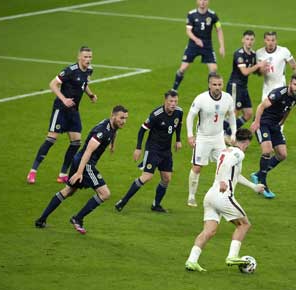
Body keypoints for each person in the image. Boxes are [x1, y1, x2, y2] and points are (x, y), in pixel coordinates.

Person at [34, 106, 129, 234]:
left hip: (78, 160)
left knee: (69, 191)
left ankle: (41, 220)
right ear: (113, 116)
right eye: (121, 118)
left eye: (126, 118)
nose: (124, 121)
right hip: (85, 163)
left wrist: (112, 144)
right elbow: (88, 151)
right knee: (105, 194)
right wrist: (80, 172)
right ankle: (77, 218)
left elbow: (114, 132)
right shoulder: (102, 132)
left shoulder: (112, 125)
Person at [185, 128, 265, 272]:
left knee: (209, 231)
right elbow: (227, 165)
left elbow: (234, 174)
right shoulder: (238, 153)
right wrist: (223, 181)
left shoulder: (225, 151)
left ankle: (192, 260)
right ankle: (232, 256)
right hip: (223, 195)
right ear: (246, 142)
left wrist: (253, 186)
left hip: (210, 196)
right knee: (244, 225)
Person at [27, 46, 98, 184]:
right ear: (79, 57)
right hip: (61, 109)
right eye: (85, 57)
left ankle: (63, 174)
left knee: (76, 142)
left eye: (90, 57)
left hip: (74, 111)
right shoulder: (70, 71)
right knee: (51, 139)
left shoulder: (89, 70)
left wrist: (90, 95)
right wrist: (63, 99)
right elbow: (53, 84)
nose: (88, 60)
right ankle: (33, 171)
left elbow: (83, 84)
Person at [115, 91, 183, 213]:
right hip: (153, 149)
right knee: (147, 177)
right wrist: (138, 148)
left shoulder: (179, 112)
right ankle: (123, 201)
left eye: (175, 101)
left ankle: (156, 205)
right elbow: (142, 130)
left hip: (166, 151)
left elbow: (178, 125)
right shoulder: (156, 115)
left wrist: (178, 140)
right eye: (171, 101)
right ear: (165, 101)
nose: (173, 104)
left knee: (166, 178)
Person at [250, 74, 296, 198]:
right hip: (263, 122)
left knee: (282, 155)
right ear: (290, 83)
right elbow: (261, 106)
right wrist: (256, 122)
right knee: (267, 150)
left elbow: (288, 109)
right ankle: (262, 183)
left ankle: (257, 174)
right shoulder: (279, 93)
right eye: (295, 84)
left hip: (274, 125)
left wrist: (282, 122)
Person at [186, 74, 236, 207]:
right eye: (214, 84)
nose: (217, 87)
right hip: (203, 138)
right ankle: (191, 196)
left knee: (225, 165)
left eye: (220, 84)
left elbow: (232, 116)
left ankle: (224, 193)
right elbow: (190, 117)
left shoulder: (227, 98)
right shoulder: (201, 98)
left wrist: (233, 133)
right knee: (197, 167)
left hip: (219, 137)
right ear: (209, 85)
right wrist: (190, 135)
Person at [171, 0, 225, 91]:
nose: (202, 2)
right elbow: (188, 31)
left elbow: (219, 29)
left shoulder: (213, 15)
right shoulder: (191, 14)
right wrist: (196, 40)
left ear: (208, 1)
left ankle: (210, 92)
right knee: (183, 68)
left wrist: (222, 46)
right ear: (197, 1)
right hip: (193, 44)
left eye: (205, 0)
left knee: (214, 68)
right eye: (200, 0)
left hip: (207, 45)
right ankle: (174, 90)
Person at [223, 30, 267, 136]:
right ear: (243, 40)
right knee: (233, 113)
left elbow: (256, 71)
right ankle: (224, 134)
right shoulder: (239, 54)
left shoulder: (253, 54)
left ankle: (227, 133)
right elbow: (245, 71)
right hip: (235, 86)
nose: (249, 42)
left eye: (252, 39)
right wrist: (258, 65)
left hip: (243, 87)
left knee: (248, 113)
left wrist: (263, 70)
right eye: (247, 39)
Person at [256, 31, 296, 102]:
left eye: (273, 40)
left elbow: (294, 67)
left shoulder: (284, 51)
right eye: (268, 40)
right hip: (266, 87)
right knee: (264, 110)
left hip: (280, 85)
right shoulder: (259, 53)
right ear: (264, 40)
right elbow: (258, 73)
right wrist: (261, 70)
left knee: (277, 110)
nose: (270, 43)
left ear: (276, 40)